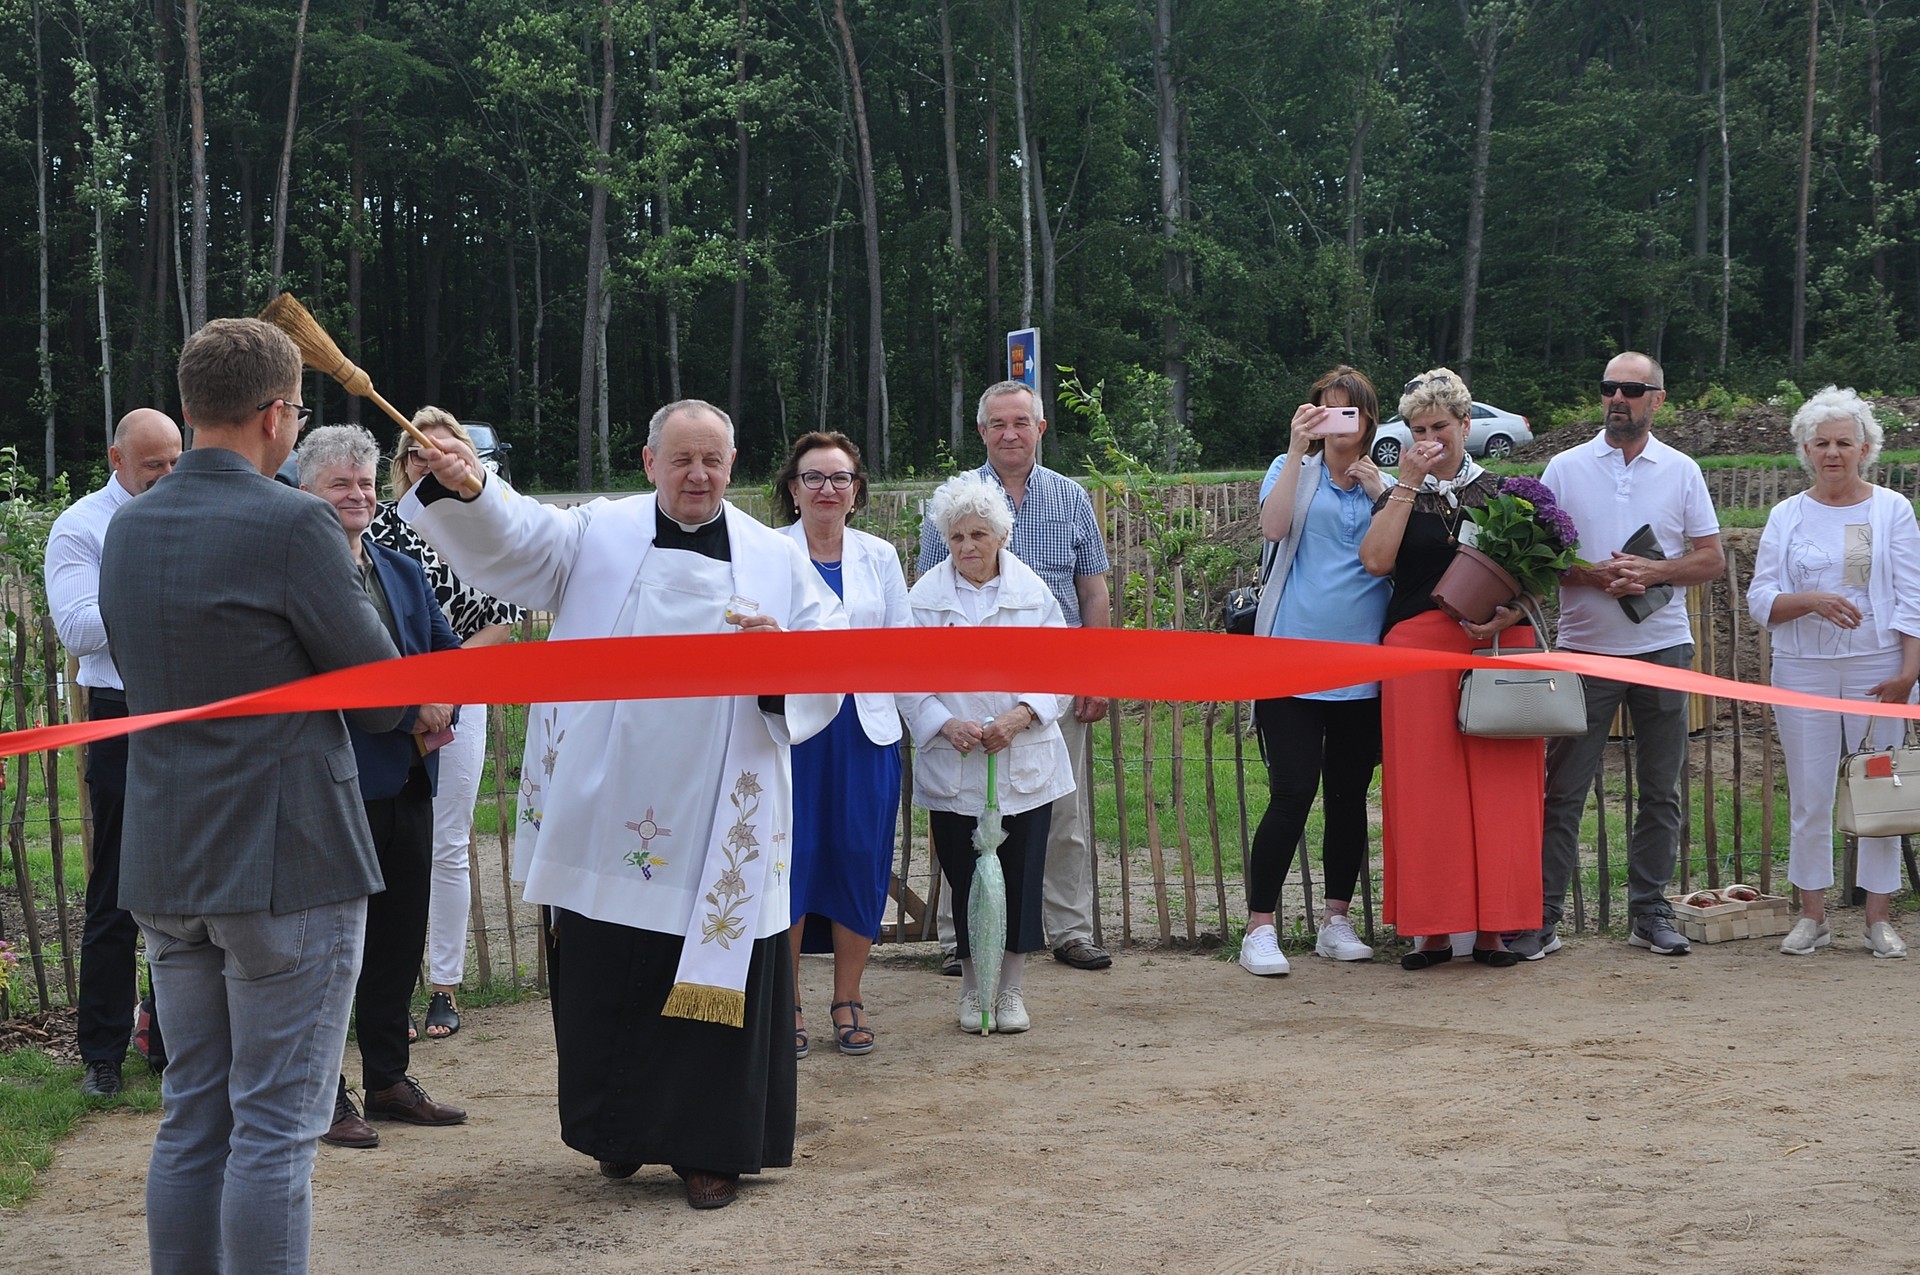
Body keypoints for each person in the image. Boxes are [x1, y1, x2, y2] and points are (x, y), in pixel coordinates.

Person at [402, 398, 843, 1211]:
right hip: (612, 806)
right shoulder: (598, 531)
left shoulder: (775, 559)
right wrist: (471, 487)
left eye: (713, 460)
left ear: (733, 465)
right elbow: (519, 537)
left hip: (718, 809)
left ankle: (710, 1149)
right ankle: (619, 1128)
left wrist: (779, 657)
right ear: (649, 462)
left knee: (713, 978)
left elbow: (828, 652)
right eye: (682, 459)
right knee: (610, 971)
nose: (698, 475)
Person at [98, 317, 404, 1274]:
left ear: (192, 408)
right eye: (299, 414)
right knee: (274, 1126)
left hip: (167, 853)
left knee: (195, 1114)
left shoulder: (128, 524)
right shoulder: (295, 522)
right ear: (277, 415)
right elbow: (382, 696)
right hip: (287, 862)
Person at [297, 425, 467, 1149]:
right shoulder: (301, 577)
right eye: (340, 484)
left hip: (409, 778)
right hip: (336, 782)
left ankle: (389, 1079)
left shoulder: (400, 567)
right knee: (335, 948)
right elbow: (326, 675)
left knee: (398, 937)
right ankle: (324, 1093)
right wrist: (410, 707)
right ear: (306, 492)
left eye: (366, 483)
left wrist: (442, 700)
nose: (358, 495)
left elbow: (447, 651)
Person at [1523, 352, 1724, 959]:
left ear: (1657, 399)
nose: (1618, 397)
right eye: (1609, 386)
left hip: (1663, 649)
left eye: (1632, 390)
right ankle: (1543, 917)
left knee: (1661, 791)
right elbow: (1539, 557)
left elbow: (1711, 559)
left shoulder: (1682, 470)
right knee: (1564, 791)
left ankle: (1650, 914)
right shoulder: (1565, 467)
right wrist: (1592, 575)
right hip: (1584, 651)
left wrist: (1653, 572)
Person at [917, 380, 1113, 973]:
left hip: (1049, 684)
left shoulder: (1070, 497)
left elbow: (1092, 591)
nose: (1010, 434)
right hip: (964, 690)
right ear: (982, 431)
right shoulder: (953, 502)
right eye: (998, 424)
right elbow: (925, 599)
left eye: (1021, 422)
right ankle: (959, 938)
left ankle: (1070, 929)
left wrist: (1093, 674)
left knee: (1060, 811)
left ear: (1040, 429)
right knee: (962, 814)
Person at [1358, 367, 1541, 969]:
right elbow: (1376, 561)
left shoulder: (1507, 492)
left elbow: (1543, 574)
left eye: (1439, 426)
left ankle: (1494, 931)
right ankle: (1431, 930)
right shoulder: (1399, 493)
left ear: (1466, 424)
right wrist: (1407, 483)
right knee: (1423, 789)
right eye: (1418, 430)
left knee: (1501, 788)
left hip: (1494, 644)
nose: (1429, 438)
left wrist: (1513, 610)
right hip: (1415, 649)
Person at [1747, 387, 1920, 958]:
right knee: (1811, 793)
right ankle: (1813, 916)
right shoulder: (1787, 514)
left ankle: (1878, 919)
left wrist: (1908, 672)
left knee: (1879, 789)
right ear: (1805, 449)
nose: (1832, 453)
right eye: (1820, 443)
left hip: (1878, 668)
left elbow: (1912, 597)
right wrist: (1811, 601)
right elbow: (1761, 598)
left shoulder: (1891, 509)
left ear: (1865, 449)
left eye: (1844, 442)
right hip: (1803, 670)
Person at [904, 473, 1075, 1033]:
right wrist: (943, 723)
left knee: (1020, 876)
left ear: (1001, 536)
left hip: (1022, 759)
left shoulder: (1034, 595)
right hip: (955, 760)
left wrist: (1022, 715)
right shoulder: (923, 600)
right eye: (956, 537)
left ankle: (1011, 992)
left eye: (978, 534)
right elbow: (905, 679)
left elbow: (1062, 670)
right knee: (966, 877)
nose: (967, 547)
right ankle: (973, 987)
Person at [372, 408, 524, 1040]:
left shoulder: (481, 526)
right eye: (416, 453)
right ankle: (390, 993)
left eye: (442, 450)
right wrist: (410, 694)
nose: (428, 462)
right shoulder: (378, 527)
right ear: (402, 464)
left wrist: (444, 685)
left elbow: (503, 618)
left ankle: (445, 985)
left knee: (448, 844)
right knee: (388, 845)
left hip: (459, 698)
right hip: (388, 703)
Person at [43, 407, 182, 1098]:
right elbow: (77, 628)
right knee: (118, 889)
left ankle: (169, 1041)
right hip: (121, 714)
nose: (168, 474)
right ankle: (101, 1051)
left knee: (189, 884)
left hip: (191, 711)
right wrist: (159, 591)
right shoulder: (81, 526)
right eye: (154, 464)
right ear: (116, 459)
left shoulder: (192, 515)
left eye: (176, 461)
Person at [1240, 368, 1391, 976]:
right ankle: (1259, 928)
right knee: (1292, 792)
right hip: (1291, 661)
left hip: (1364, 666)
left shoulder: (1384, 482)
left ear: (1369, 419)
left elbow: (1400, 556)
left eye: (1348, 412)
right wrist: (1297, 448)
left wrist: (1382, 493)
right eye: (1324, 411)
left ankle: (1335, 920)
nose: (1337, 423)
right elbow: (1273, 529)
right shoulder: (1290, 469)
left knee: (1349, 797)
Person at [774, 431, 909, 1057]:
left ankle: (848, 998)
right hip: (794, 733)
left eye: (840, 478)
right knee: (792, 861)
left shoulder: (880, 557)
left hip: (864, 731)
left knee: (859, 857)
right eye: (814, 477)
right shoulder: (768, 553)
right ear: (793, 489)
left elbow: (900, 642)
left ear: (856, 492)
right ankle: (788, 1005)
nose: (827, 489)